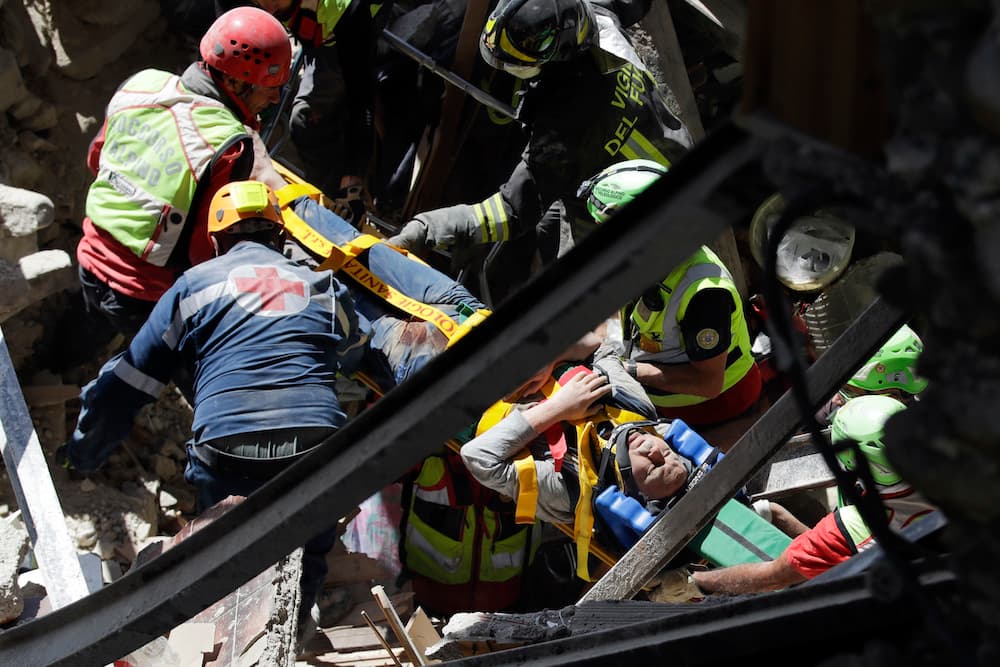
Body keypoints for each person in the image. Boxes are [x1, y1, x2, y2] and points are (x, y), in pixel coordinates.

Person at [60, 180, 367, 634]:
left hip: (227, 450)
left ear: (216, 240)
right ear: (280, 237)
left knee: (224, 557)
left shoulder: (194, 286)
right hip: (316, 448)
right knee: (305, 552)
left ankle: (226, 637)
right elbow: (353, 350)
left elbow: (129, 380)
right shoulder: (323, 286)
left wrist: (83, 455)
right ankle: (293, 630)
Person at [388, 0, 693, 290]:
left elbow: (510, 211)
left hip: (632, 216)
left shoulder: (565, 127)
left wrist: (428, 228)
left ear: (560, 50)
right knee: (548, 222)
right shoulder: (595, 13)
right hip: (673, 146)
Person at [77, 7, 292, 337]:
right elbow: (204, 251)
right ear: (236, 81)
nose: (276, 96)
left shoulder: (142, 86)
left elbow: (97, 159)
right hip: (146, 295)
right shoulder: (227, 144)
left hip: (89, 260)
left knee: (89, 336)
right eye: (270, 86)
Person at [647, 394, 939, 601]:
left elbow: (774, 577)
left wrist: (693, 583)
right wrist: (779, 515)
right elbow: (833, 555)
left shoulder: (856, 527)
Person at [580, 160, 762, 445]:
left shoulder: (704, 293)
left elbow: (708, 383)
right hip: (668, 405)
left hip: (719, 413)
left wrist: (628, 371)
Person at [254, 0, 387, 208]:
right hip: (316, 25)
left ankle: (332, 202)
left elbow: (360, 96)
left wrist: (353, 177)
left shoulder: (347, 11)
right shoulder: (266, 5)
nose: (266, 8)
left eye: (271, 2)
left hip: (344, 29)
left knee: (306, 121)